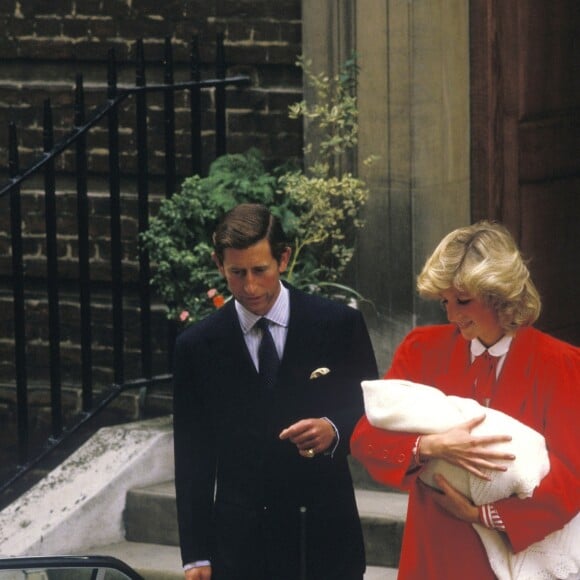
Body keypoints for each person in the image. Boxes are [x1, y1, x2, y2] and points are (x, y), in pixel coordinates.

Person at [351, 221, 580, 579]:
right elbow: (365, 439)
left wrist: (481, 515)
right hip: (433, 549)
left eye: (463, 300)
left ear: (498, 293)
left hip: (516, 556)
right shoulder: (421, 348)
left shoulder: (563, 364)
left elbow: (573, 476)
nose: (451, 314)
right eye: (445, 301)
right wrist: (429, 446)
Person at [173, 203, 378, 580]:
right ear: (219, 265)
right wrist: (196, 554)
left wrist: (334, 428)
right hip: (241, 546)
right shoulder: (196, 346)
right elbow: (192, 456)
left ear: (283, 259)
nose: (249, 287)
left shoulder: (338, 324)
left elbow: (370, 411)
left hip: (323, 535)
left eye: (259, 271)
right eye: (237, 273)